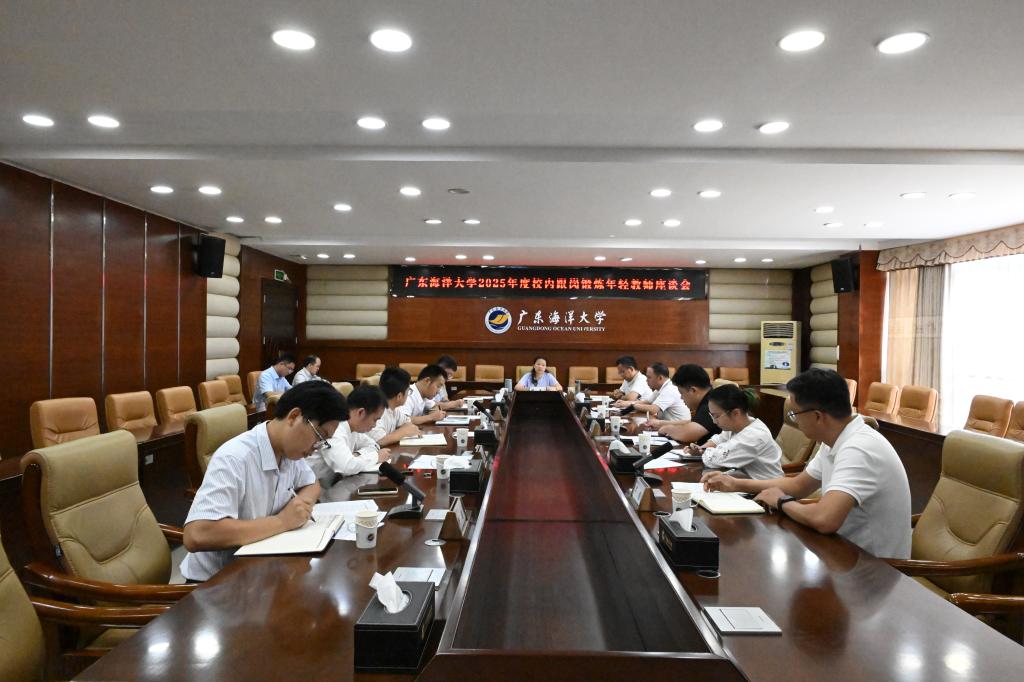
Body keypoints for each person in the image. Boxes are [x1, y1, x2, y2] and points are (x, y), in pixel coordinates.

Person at [702, 368, 912, 559]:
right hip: (843, 553)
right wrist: (735, 483)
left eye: (794, 414)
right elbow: (798, 485)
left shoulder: (859, 449)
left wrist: (782, 501)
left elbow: (825, 519)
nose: (794, 420)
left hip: (874, 568)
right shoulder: (835, 439)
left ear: (818, 416)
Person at [180, 382, 346, 582]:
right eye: (320, 436)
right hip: (218, 582)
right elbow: (197, 534)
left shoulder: (289, 452)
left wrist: (300, 504)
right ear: (294, 417)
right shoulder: (235, 457)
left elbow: (312, 484)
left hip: (260, 570)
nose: (317, 447)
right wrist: (283, 521)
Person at [686, 384, 783, 480]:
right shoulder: (739, 425)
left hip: (768, 486)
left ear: (736, 413)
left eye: (716, 416)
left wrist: (703, 452)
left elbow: (717, 459)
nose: (714, 422)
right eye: (712, 416)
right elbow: (718, 440)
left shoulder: (754, 436)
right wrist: (700, 449)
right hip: (746, 481)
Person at [306, 384, 390, 481]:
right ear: (360, 412)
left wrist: (357, 455)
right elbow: (347, 467)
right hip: (314, 486)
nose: (375, 425)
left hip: (333, 483)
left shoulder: (354, 429)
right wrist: (376, 457)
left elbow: (374, 446)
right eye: (375, 420)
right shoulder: (335, 428)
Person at [658, 363, 721, 445]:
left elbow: (688, 434)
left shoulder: (711, 404)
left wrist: (667, 429)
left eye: (681, 393)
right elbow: (693, 423)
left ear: (693, 390)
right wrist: (661, 424)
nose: (681, 398)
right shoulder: (710, 397)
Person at [368, 367, 422, 446]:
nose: (408, 394)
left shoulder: (394, 409)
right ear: (399, 396)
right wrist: (403, 432)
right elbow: (379, 441)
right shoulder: (376, 410)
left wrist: (406, 430)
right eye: (408, 391)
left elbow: (407, 423)